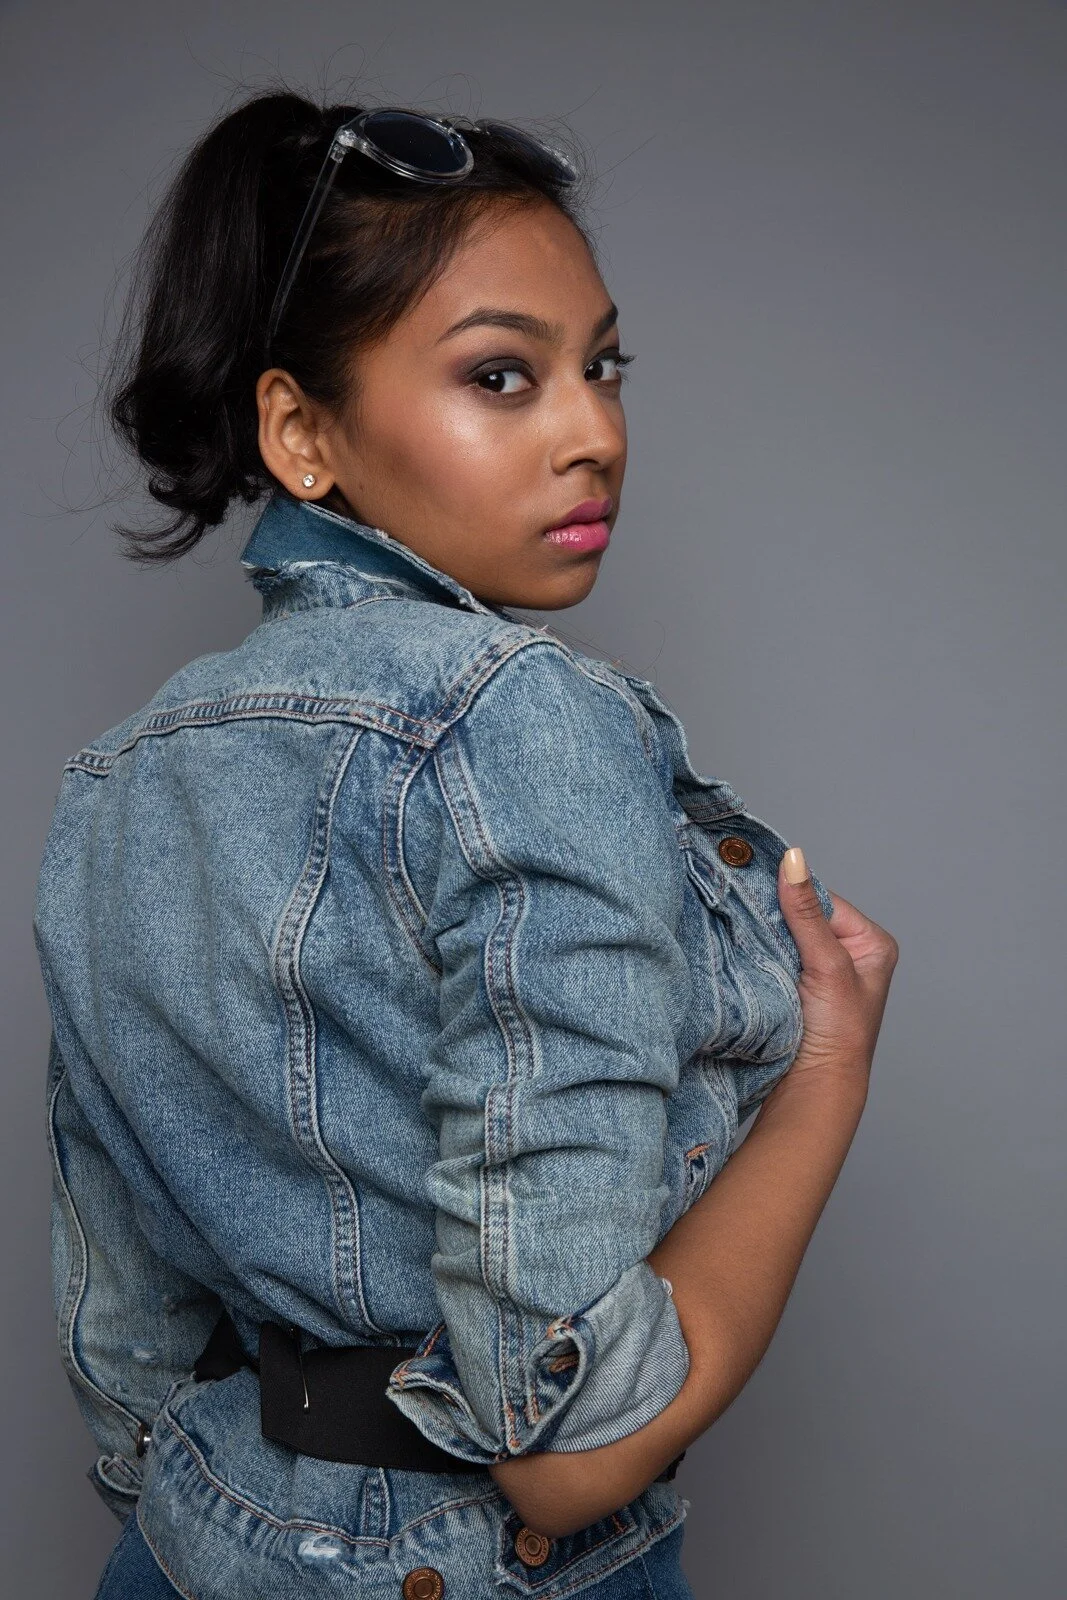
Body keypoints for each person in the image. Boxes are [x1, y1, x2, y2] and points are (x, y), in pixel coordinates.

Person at [33, 86, 899, 1600]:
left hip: (186, 1541)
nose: (594, 433)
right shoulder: (522, 720)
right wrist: (829, 1066)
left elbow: (128, 1334)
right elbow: (563, 1452)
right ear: (301, 432)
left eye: (602, 366)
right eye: (502, 375)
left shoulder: (113, 779)